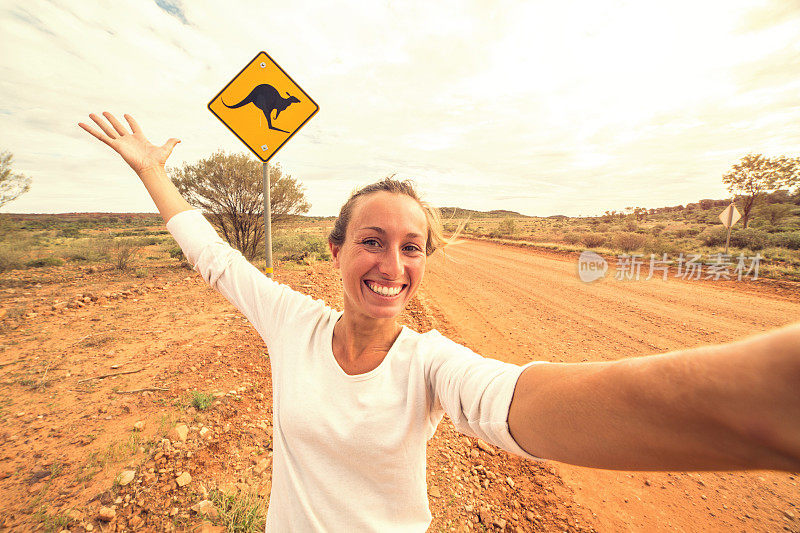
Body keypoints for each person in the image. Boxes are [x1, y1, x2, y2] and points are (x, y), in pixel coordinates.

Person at [79, 112, 800, 531]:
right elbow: (213, 256)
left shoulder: (429, 362)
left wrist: (759, 402)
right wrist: (151, 173)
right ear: (335, 249)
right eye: (371, 240)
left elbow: (518, 400)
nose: (392, 263)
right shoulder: (290, 322)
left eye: (411, 246)